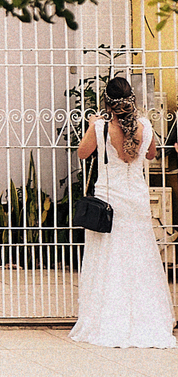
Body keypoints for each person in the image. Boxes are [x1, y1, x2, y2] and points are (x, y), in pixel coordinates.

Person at [69, 76, 176, 348]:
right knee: (139, 257)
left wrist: (93, 125)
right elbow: (151, 155)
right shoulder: (146, 127)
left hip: (110, 199)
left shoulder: (102, 127)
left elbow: (83, 153)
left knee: (107, 258)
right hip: (136, 200)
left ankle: (108, 319)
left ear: (108, 103)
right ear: (132, 102)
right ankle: (144, 319)